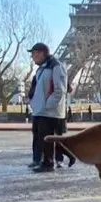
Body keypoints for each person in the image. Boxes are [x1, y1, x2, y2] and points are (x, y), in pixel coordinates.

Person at [28, 42, 67, 173]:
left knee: (48, 138)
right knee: (41, 139)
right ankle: (45, 161)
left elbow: (59, 89)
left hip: (49, 112)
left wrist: (47, 105)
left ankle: (49, 163)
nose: (33, 57)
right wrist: (34, 103)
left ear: (42, 54)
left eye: (35, 54)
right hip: (41, 110)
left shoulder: (56, 67)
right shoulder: (42, 68)